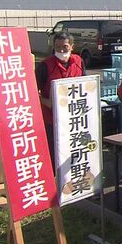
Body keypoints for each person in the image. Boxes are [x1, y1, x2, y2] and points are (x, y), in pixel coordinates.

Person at [36, 31, 86, 163]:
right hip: (52, 119)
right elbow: (33, 92)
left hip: (74, 119)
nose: (61, 50)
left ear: (72, 46)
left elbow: (86, 85)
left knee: (72, 154)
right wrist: (47, 102)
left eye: (65, 47)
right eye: (57, 47)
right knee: (54, 154)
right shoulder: (45, 66)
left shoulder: (79, 61)